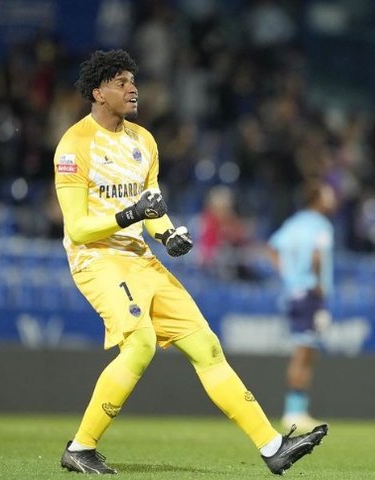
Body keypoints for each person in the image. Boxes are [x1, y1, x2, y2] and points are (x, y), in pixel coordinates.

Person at [53, 49, 327, 475]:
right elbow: (77, 229)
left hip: (140, 257)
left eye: (133, 80)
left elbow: (153, 206)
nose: (132, 88)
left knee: (207, 347)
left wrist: (167, 234)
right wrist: (132, 216)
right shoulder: (74, 146)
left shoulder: (143, 142)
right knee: (140, 344)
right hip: (98, 258)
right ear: (98, 92)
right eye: (121, 82)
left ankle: (273, 446)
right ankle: (81, 447)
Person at [267, 181, 337, 432]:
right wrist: (317, 284)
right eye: (328, 194)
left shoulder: (293, 223)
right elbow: (317, 255)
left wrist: (288, 276)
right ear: (317, 199)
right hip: (310, 293)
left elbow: (273, 247)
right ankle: (294, 411)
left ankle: (297, 410)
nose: (333, 199)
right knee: (304, 352)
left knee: (305, 350)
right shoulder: (321, 225)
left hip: (296, 292)